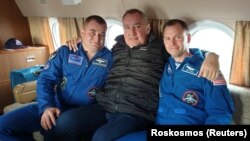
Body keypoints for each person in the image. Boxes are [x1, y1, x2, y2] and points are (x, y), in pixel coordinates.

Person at [56, 9, 221, 141]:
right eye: (127, 27)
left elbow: (182, 50)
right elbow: (91, 48)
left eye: (137, 27)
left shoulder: (160, 48)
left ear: (148, 28)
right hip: (103, 106)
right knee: (65, 122)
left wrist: (211, 55)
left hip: (135, 113)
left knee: (101, 137)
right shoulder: (116, 48)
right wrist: (77, 41)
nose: (132, 32)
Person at [117, 19, 235, 141]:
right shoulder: (165, 63)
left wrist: (212, 56)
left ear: (188, 38)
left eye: (177, 37)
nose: (172, 43)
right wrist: (211, 54)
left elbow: (220, 113)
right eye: (167, 38)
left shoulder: (208, 70)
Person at [0, 15, 113, 141]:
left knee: (56, 128)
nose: (97, 39)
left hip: (80, 113)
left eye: (102, 34)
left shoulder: (111, 59)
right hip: (54, 104)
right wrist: (47, 106)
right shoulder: (66, 51)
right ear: (82, 32)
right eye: (92, 33)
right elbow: (45, 79)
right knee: (2, 126)